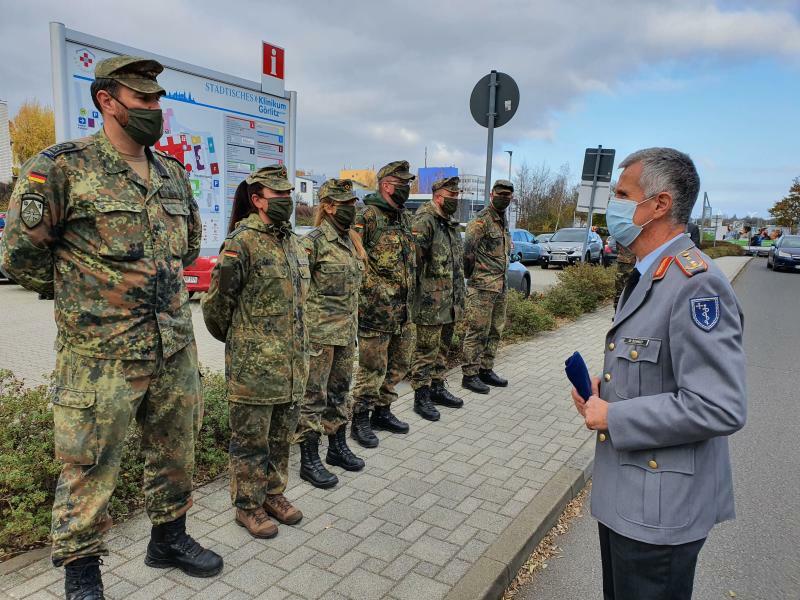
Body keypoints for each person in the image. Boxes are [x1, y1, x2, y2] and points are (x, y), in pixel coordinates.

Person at [0, 55, 223, 598]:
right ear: (107, 101)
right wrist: (87, 296)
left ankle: (168, 539)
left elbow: (188, 244)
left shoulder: (171, 172)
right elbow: (20, 256)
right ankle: (82, 574)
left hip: (173, 345)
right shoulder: (60, 167)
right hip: (99, 353)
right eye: (142, 100)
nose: (154, 109)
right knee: (88, 464)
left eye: (156, 100)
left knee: (175, 450)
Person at [572, 147, 746, 600]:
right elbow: (657, 373)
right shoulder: (652, 273)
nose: (613, 205)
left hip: (660, 515)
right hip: (629, 500)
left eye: (623, 194)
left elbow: (718, 405)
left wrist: (614, 417)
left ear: (659, 205)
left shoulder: (696, 283)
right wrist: (604, 392)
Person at [202, 164, 309, 539]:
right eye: (278, 195)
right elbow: (216, 309)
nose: (286, 201)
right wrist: (246, 344)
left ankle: (274, 495)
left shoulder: (294, 243)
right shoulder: (241, 243)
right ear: (257, 199)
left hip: (293, 364)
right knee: (250, 441)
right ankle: (247, 506)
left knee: (281, 437)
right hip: (254, 368)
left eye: (288, 194)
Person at [294, 178, 366, 488]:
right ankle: (309, 459)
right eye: (347, 204)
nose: (353, 208)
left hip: (345, 333)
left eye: (354, 203)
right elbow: (297, 291)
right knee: (313, 396)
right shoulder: (312, 242)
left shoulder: (351, 241)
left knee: (339, 392)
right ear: (328, 206)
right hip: (320, 336)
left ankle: (336, 447)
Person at [350, 160, 417, 447]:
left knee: (398, 364)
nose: (407, 189)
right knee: (372, 368)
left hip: (403, 311)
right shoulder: (367, 217)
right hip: (376, 311)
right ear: (387, 185)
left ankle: (382, 411)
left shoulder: (402, 218)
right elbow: (356, 263)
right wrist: (377, 292)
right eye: (403, 184)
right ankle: (360, 419)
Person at [409, 176, 466, 421]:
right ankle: (421, 398)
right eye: (451, 196)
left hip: (450, 300)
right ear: (438, 196)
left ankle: (437, 388)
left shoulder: (450, 222)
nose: (455, 200)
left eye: (457, 195)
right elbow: (414, 263)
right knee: (426, 351)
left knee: (442, 348)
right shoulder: (425, 220)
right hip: (430, 302)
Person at [461, 180, 513, 394]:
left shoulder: (502, 220)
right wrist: (473, 276)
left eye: (508, 195)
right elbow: (467, 251)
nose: (504, 198)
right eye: (501, 194)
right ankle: (469, 375)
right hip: (482, 286)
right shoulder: (481, 220)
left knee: (495, 329)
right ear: (492, 194)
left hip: (500, 285)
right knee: (477, 330)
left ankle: (486, 369)